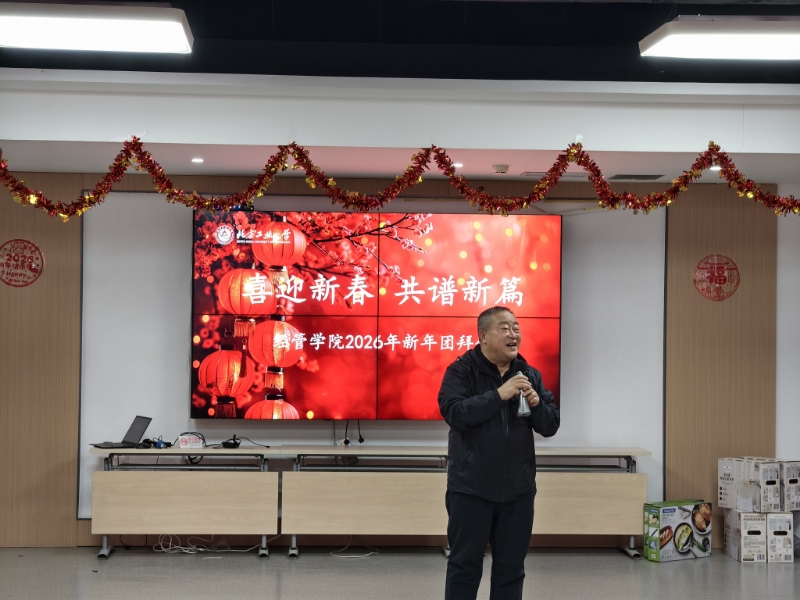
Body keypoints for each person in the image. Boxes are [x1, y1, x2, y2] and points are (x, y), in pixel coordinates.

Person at [438, 305, 560, 600]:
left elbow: (550, 425)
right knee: (464, 567)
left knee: (511, 569)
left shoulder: (529, 374)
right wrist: (498, 395)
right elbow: (454, 413)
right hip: (471, 489)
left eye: (516, 328)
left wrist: (536, 405)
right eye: (504, 328)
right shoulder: (461, 371)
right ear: (483, 336)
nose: (513, 334)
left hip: (518, 492)